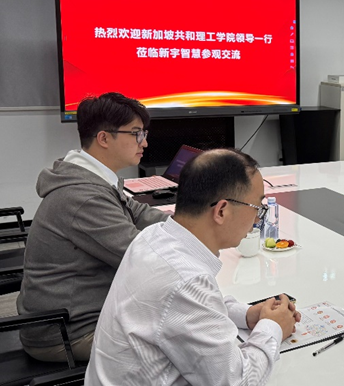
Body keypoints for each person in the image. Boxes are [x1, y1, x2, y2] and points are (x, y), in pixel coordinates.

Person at [85, 149, 300, 385]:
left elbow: (189, 310)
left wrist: (247, 315)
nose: (258, 219)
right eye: (257, 208)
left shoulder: (153, 236)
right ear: (222, 211)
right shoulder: (185, 280)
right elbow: (237, 380)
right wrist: (273, 327)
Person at [17, 93, 167, 362]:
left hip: (88, 313)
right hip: (70, 333)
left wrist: (192, 223)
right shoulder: (83, 196)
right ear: (104, 138)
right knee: (182, 337)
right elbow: (141, 258)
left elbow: (140, 213)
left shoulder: (92, 177)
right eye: (136, 133)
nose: (144, 142)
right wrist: (198, 239)